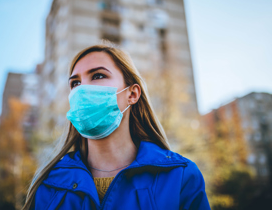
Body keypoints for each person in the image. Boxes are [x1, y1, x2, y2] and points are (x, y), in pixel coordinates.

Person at [22, 44, 211, 210]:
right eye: (75, 83)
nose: (82, 90)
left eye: (98, 75)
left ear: (132, 94)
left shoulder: (180, 177)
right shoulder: (49, 185)